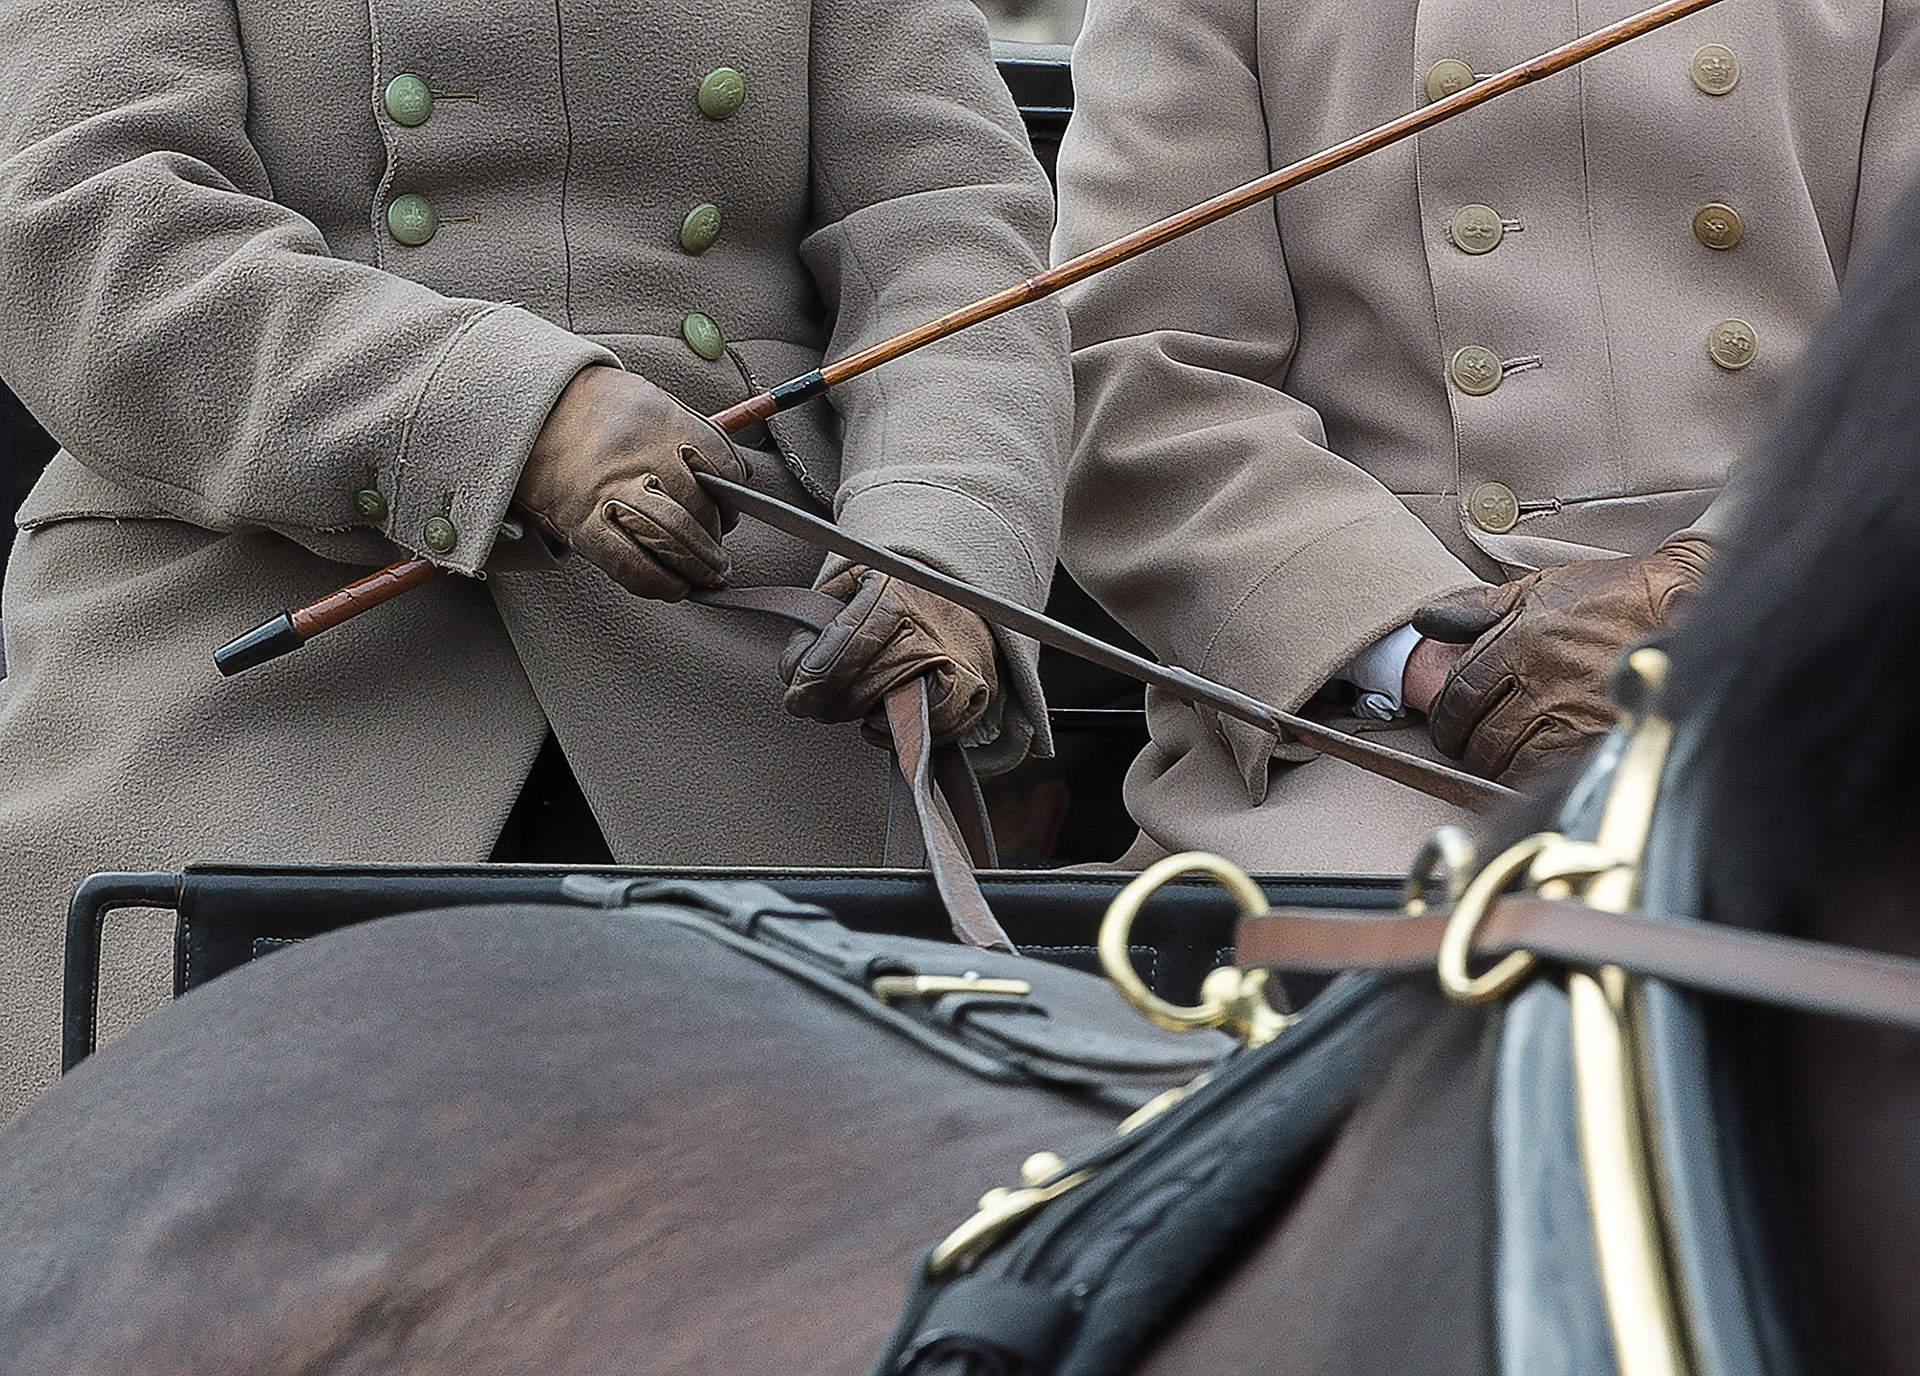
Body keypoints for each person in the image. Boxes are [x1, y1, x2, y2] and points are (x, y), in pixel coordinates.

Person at [0, 0, 1070, 1123]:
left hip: (755, 643)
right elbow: (86, 220)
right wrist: (500, 412)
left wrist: (942, 541)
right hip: (259, 623)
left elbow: (945, 233)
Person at [1054, 0, 1920, 873]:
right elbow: (1148, 376)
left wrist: (1717, 596)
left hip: (1818, 655)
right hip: (1373, 719)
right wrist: (1435, 661)